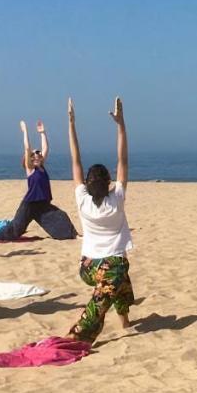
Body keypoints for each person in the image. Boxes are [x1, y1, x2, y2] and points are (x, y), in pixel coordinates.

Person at [64, 96, 137, 342]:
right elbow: (123, 160)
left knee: (121, 280)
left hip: (87, 268)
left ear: (87, 183)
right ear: (109, 184)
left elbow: (75, 160)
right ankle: (83, 334)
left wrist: (71, 124)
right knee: (117, 269)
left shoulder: (82, 199)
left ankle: (125, 320)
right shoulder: (116, 198)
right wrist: (121, 124)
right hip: (108, 267)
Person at [0, 119, 78, 241]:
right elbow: (27, 148)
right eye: (34, 154)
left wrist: (43, 133)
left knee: (60, 216)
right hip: (30, 204)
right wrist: (25, 131)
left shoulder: (42, 167)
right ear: (30, 159)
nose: (37, 154)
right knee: (17, 228)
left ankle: (72, 235)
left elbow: (46, 148)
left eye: (38, 153)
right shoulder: (31, 169)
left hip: (43, 204)